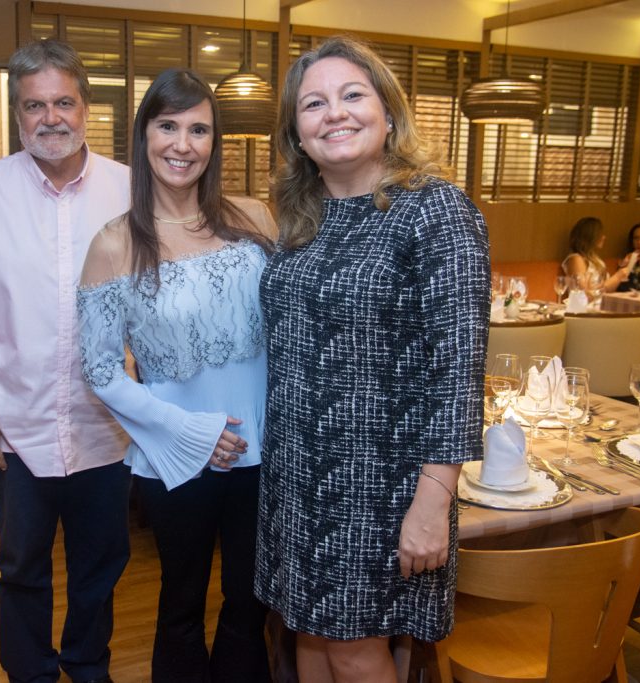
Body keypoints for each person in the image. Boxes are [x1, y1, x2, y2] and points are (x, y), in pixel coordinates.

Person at [255, 36, 490, 681]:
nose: (335, 113)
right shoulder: (303, 219)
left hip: (381, 486)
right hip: (297, 478)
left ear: (388, 110)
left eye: (352, 95)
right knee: (307, 634)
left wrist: (433, 502)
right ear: (297, 134)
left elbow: (457, 372)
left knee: (355, 647)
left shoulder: (433, 210)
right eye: (314, 104)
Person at [0, 39, 131, 683]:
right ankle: (29, 671)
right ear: (17, 116)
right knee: (21, 565)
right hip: (16, 426)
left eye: (63, 102)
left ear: (86, 108)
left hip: (111, 425)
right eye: (34, 105)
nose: (51, 117)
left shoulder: (132, 189)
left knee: (102, 560)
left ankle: (86, 661)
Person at [78, 68, 276, 683]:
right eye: (168, 126)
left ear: (214, 143)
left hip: (267, 451)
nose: (182, 144)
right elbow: (99, 369)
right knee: (182, 605)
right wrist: (190, 431)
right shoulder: (115, 243)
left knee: (251, 604)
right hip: (177, 455)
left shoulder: (253, 220)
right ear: (144, 136)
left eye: (199, 129)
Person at [561, 216, 630, 292]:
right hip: (585, 303)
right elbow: (583, 294)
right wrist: (617, 276)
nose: (604, 237)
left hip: (602, 301)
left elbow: (608, 290)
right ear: (590, 236)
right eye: (600, 234)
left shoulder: (596, 260)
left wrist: (622, 269)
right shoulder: (576, 259)